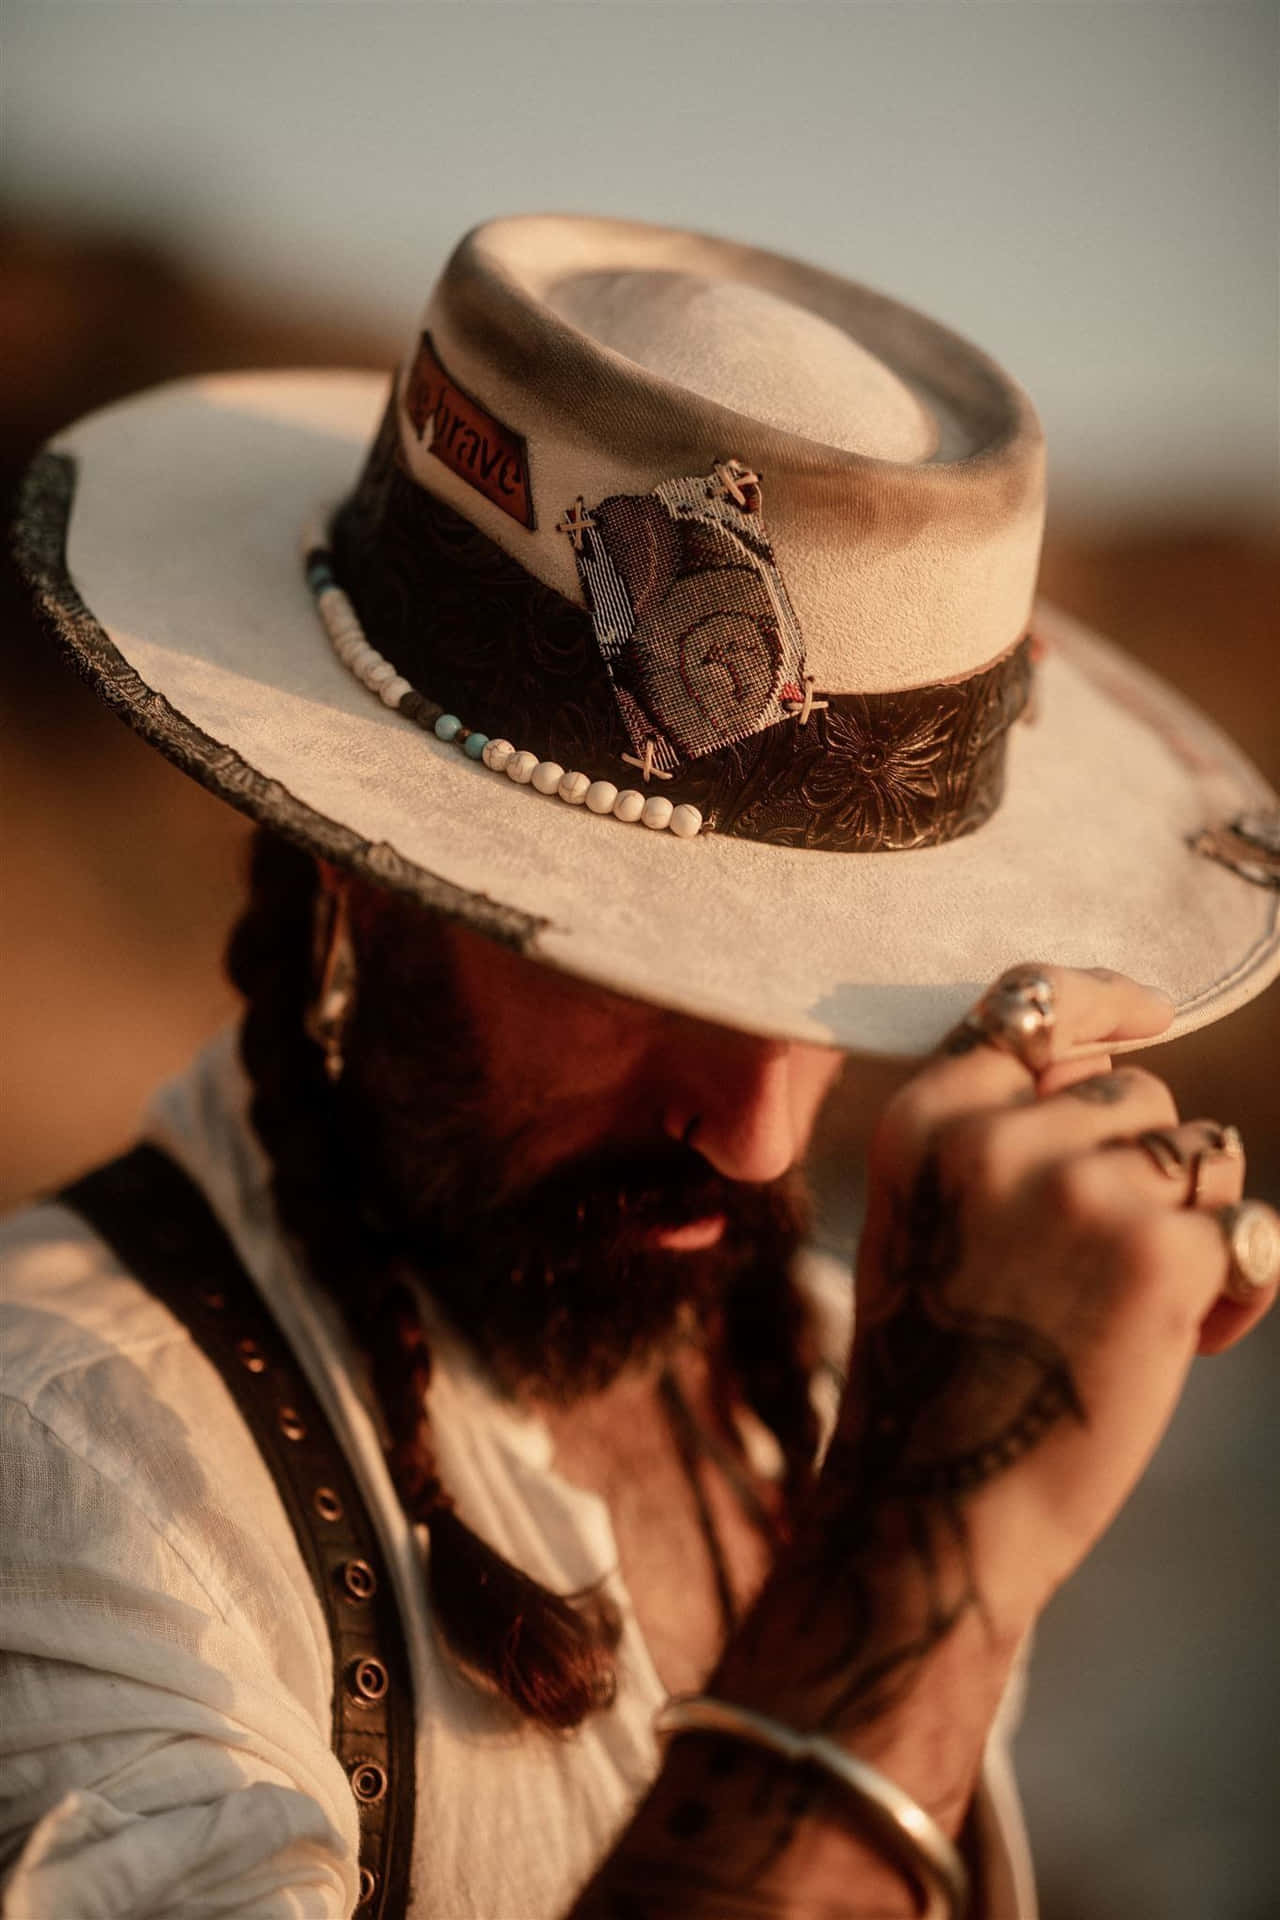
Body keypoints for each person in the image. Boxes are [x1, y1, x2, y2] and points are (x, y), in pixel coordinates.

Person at [3, 212, 1278, 1920]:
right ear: (355, 866)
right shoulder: (65, 1461)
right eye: (627, 967)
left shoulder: (834, 1369)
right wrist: (922, 1560)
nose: (758, 1143)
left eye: (832, 1004)